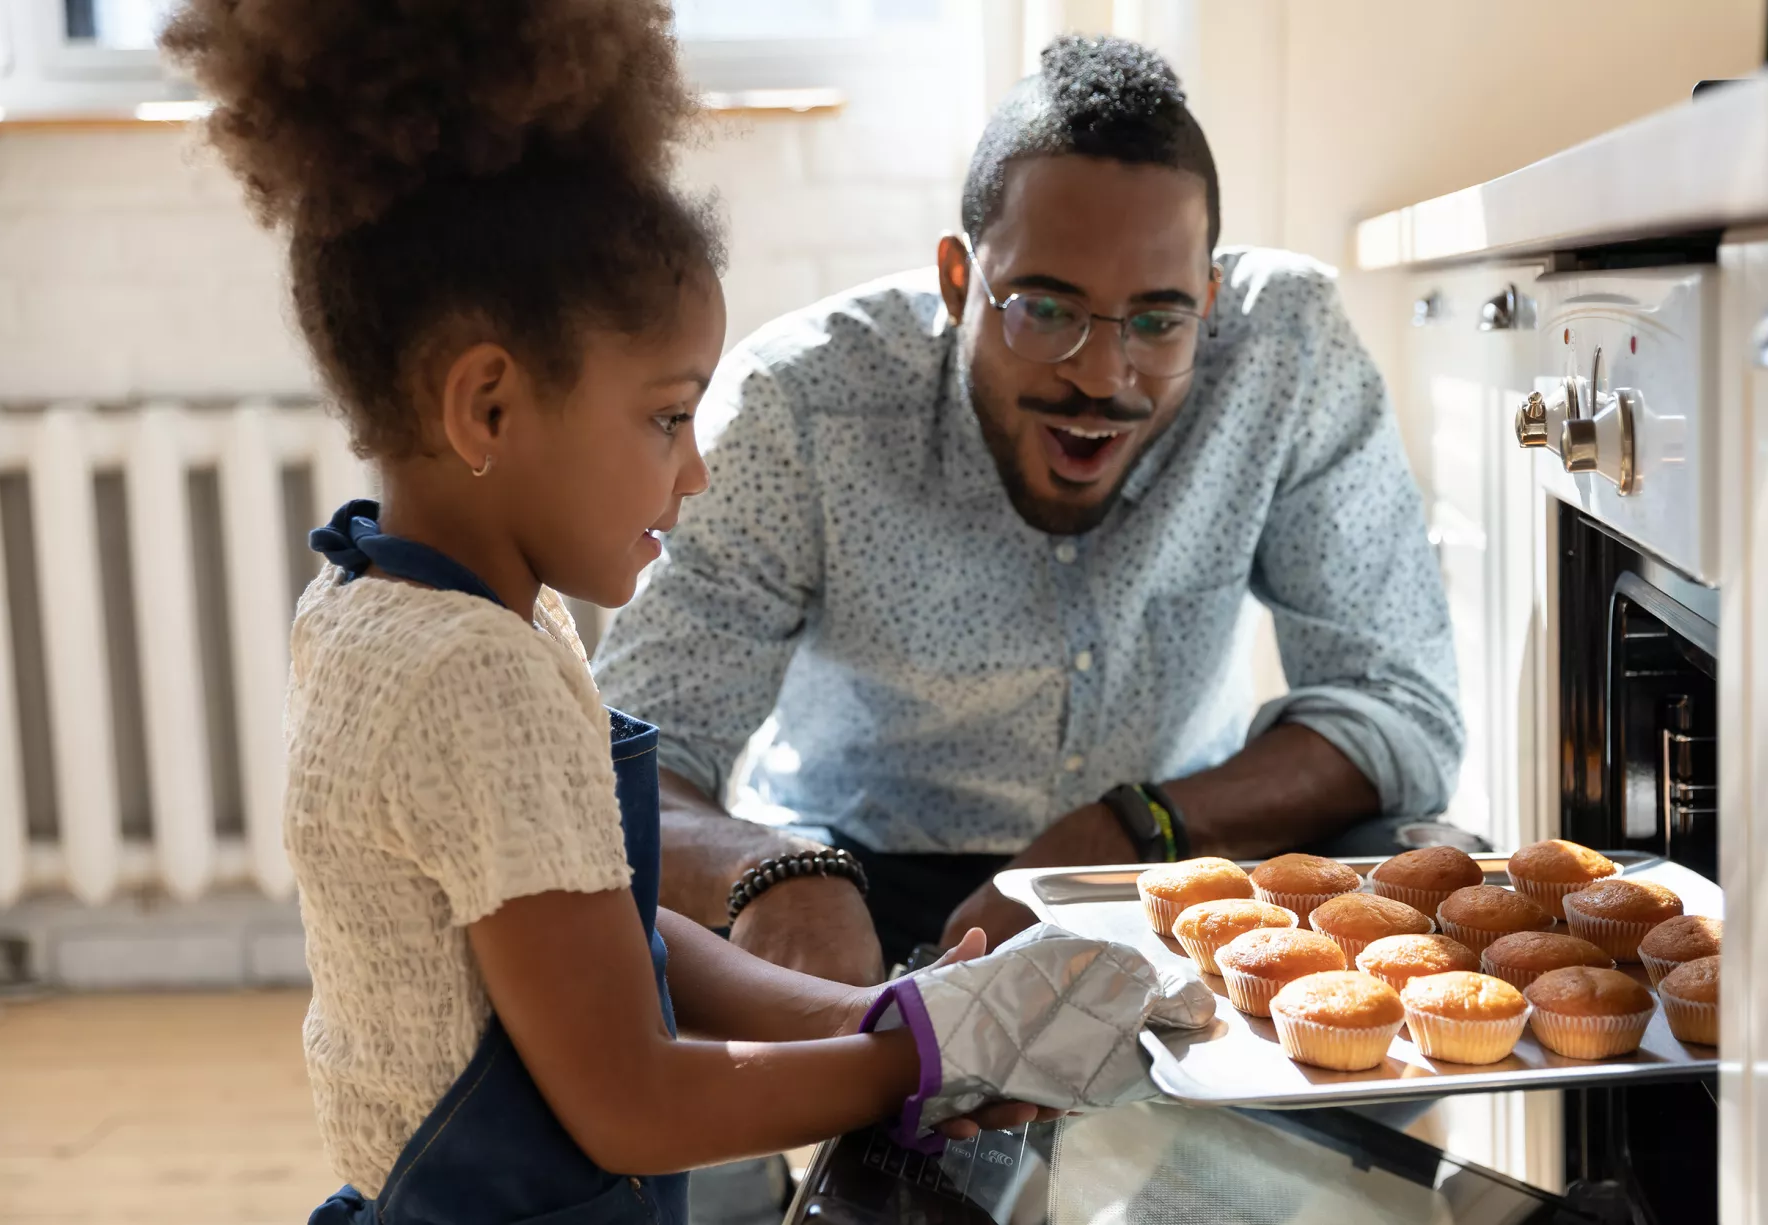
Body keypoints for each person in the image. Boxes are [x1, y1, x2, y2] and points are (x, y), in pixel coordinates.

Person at [161, 5, 1201, 1221]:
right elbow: (632, 1103)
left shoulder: (388, 601)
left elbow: (601, 926)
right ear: (487, 406)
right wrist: (920, 1065)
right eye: (667, 416)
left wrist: (879, 1015)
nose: (696, 470)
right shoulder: (474, 674)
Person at [595, 33, 1464, 986]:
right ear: (959, 279)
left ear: (1209, 301)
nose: (1101, 375)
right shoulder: (797, 404)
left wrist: (1128, 827)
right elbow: (625, 755)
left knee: (1427, 883)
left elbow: (1400, 707)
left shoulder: (1287, 349)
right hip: (854, 869)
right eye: (1045, 309)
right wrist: (771, 872)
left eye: (1159, 320)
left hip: (1172, 851)